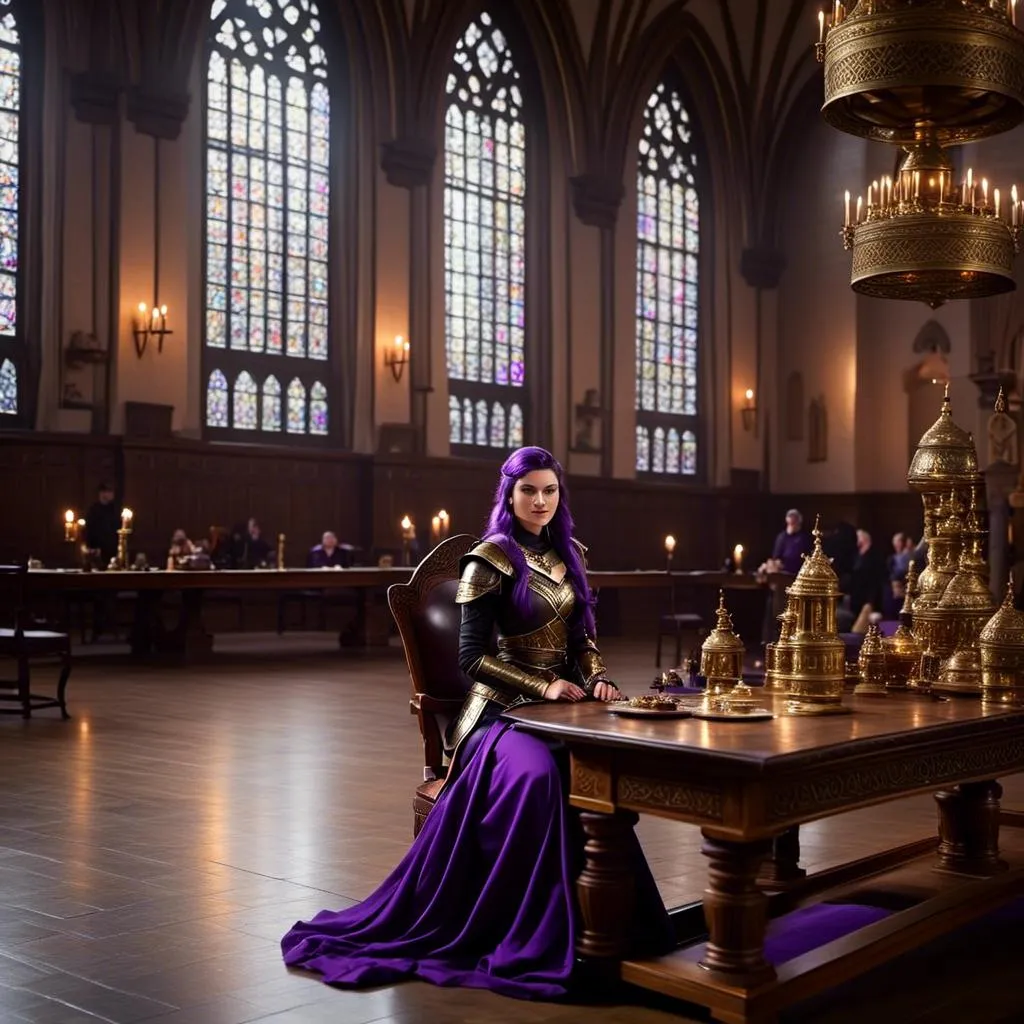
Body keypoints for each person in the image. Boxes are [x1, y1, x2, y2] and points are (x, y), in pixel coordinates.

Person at [281, 446, 674, 999]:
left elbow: (583, 641)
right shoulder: (490, 558)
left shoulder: (572, 555)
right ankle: (527, 932)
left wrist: (600, 677)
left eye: (549, 491)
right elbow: (471, 659)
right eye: (528, 491)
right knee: (539, 779)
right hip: (496, 716)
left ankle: (603, 929)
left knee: (599, 771)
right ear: (509, 495)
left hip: (567, 708)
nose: (539, 501)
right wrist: (542, 686)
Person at [84, 482, 119, 567]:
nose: (111, 495)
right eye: (109, 492)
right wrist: (91, 546)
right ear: (102, 493)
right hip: (98, 548)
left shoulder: (115, 509)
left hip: (112, 547)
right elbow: (90, 530)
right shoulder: (93, 510)